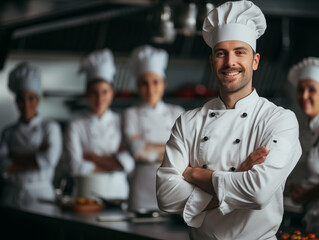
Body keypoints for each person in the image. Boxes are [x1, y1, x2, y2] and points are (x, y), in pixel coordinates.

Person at [156, 1, 302, 239]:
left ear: (255, 61)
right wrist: (238, 176)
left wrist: (195, 175)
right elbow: (166, 197)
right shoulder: (187, 122)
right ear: (212, 62)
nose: (230, 62)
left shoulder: (279, 120)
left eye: (239, 52)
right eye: (221, 53)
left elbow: (258, 192)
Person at [66, 49, 134, 200]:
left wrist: (91, 157)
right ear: (86, 93)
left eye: (104, 92)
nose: (100, 98)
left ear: (112, 93)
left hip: (118, 195)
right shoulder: (76, 125)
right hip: (85, 195)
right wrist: (114, 162)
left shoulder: (122, 121)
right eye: (94, 92)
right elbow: (75, 167)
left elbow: (128, 164)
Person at [123, 45, 184, 213]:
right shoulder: (131, 114)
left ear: (164, 83)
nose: (150, 89)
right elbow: (137, 151)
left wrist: (149, 148)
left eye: (155, 82)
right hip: (141, 191)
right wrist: (171, 150)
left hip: (173, 188)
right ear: (137, 86)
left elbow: (187, 151)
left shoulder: (177, 112)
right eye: (144, 83)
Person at [0, 61, 62, 206]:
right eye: (21, 99)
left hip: (41, 196)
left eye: (31, 98)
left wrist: (14, 158)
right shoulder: (8, 132)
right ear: (16, 101)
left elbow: (49, 160)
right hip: (11, 196)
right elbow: (2, 165)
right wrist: (36, 154)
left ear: (38, 100)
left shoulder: (50, 127)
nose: (26, 104)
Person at [287, 57, 319, 234]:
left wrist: (305, 194)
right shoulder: (306, 132)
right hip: (312, 219)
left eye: (312, 90)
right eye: (301, 90)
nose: (304, 96)